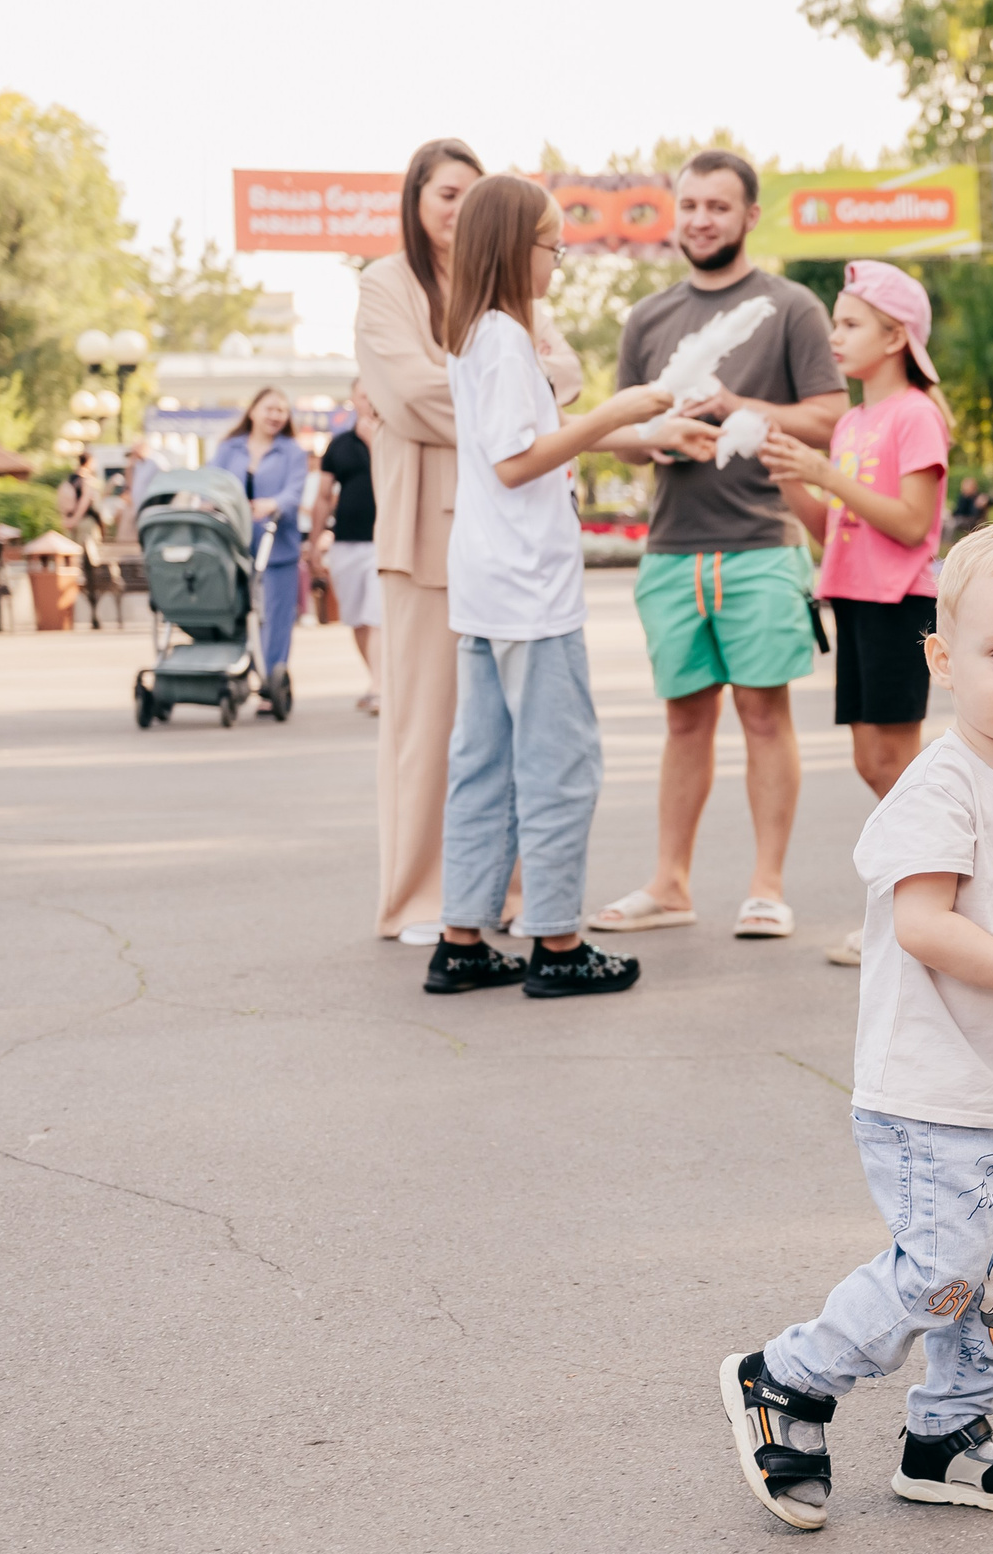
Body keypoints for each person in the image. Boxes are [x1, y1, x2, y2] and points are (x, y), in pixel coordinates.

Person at [717, 522, 993, 1532]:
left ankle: (946, 1437)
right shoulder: (941, 786)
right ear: (943, 658)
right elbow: (925, 924)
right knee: (939, 1271)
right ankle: (787, 1378)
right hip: (931, 1087)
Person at [418, 175, 671, 1001]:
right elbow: (517, 460)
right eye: (552, 244)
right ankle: (558, 941)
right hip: (529, 589)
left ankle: (462, 938)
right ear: (511, 247)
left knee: (484, 765)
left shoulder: (477, 336)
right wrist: (615, 413)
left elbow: (524, 443)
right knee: (560, 765)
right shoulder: (501, 339)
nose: (559, 258)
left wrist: (635, 428)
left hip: (489, 583)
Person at [586, 149, 848, 941]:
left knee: (764, 714)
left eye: (718, 206)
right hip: (672, 549)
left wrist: (736, 405)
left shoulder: (791, 306)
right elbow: (620, 435)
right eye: (690, 204)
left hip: (762, 542)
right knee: (683, 722)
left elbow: (831, 416)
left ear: (749, 216)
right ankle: (670, 885)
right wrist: (657, 437)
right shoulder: (647, 317)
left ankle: (767, 886)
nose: (701, 220)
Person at [356, 137, 585, 944]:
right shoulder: (388, 283)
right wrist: (517, 408)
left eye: (471, 194)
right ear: (416, 200)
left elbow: (567, 372)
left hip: (501, 526)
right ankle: (424, 899)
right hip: (427, 524)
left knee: (507, 737)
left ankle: (501, 899)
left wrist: (518, 400)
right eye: (445, 193)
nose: (458, 209)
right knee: (431, 728)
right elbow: (407, 392)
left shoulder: (511, 287)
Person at [759, 260, 952, 968]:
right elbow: (831, 528)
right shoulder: (852, 422)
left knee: (895, 764)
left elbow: (911, 524)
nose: (833, 336)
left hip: (903, 601)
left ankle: (927, 913)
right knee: (874, 762)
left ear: (895, 336)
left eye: (849, 323)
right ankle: (924, 906)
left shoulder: (917, 415)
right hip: (855, 598)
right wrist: (793, 478)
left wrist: (826, 474)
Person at [207, 388, 311, 696]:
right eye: (269, 408)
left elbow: (294, 492)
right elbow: (212, 483)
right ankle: (237, 670)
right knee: (235, 608)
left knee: (277, 615)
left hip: (275, 543)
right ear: (252, 411)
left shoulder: (292, 451)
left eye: (282, 410)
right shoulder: (229, 448)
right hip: (234, 543)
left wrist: (273, 504)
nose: (275, 416)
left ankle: (271, 681)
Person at [313, 383, 384, 714]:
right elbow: (323, 496)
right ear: (354, 398)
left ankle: (380, 687)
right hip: (346, 542)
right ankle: (378, 679)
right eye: (363, 394)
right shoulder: (339, 444)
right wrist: (315, 542)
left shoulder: (394, 440)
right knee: (357, 618)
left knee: (377, 615)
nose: (369, 400)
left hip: (382, 542)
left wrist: (374, 444)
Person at [58, 452, 121, 629]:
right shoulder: (86, 480)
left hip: (74, 528)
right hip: (86, 528)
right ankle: (93, 614)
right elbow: (86, 502)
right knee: (90, 568)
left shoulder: (70, 480)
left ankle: (90, 613)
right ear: (90, 462)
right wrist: (75, 520)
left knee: (81, 568)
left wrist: (69, 521)